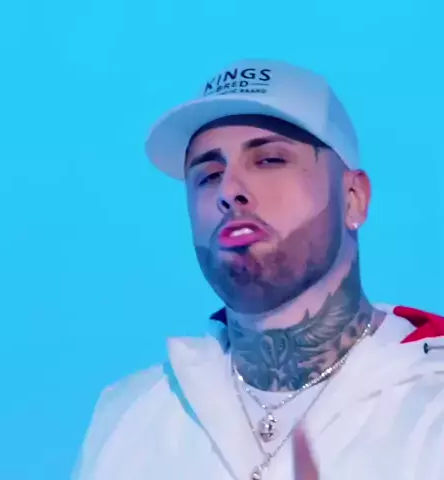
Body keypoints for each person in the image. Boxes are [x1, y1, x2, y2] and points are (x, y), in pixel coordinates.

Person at [72, 59, 444, 480]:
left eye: (269, 160)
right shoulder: (127, 417)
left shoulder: (431, 401)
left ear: (354, 198)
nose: (229, 190)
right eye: (209, 175)